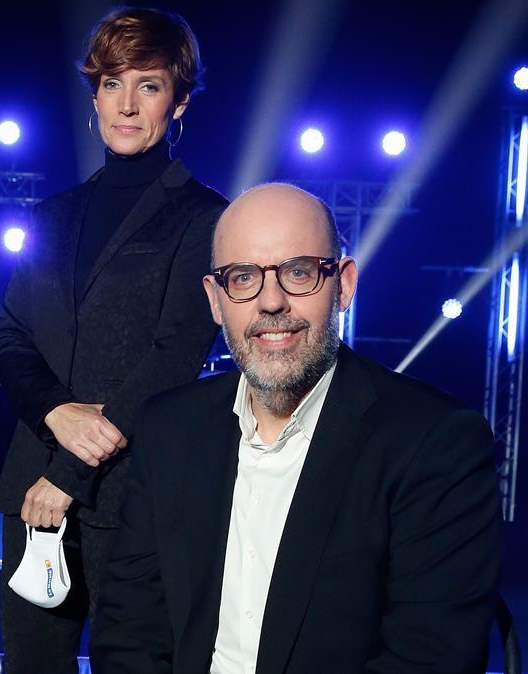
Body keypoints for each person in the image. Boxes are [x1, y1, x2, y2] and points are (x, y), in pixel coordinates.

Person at [90, 183, 502, 673]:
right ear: (216, 300)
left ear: (344, 284)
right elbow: (128, 634)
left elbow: (430, 662)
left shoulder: (437, 444)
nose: (271, 302)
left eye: (299, 272)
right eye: (243, 277)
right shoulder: (169, 429)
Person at [0, 7, 228, 670]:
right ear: (94, 94)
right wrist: (54, 412)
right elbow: (10, 336)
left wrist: (69, 473)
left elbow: (174, 359)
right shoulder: (53, 214)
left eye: (148, 86)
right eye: (112, 84)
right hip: (31, 493)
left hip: (134, 496)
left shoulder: (206, 218)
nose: (127, 105)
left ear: (178, 101)